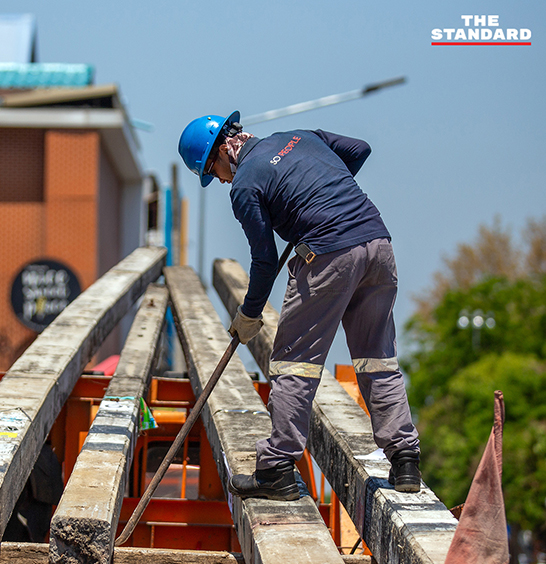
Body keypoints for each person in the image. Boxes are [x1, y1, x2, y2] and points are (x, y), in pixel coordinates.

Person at [178, 112, 421, 500]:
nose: (221, 181)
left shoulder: (245, 184)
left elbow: (263, 259)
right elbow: (360, 149)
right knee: (377, 356)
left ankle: (277, 468)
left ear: (223, 149)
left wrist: (249, 315)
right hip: (377, 244)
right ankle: (405, 459)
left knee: (295, 362)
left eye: (213, 171)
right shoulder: (300, 137)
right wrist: (324, 190)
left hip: (329, 255)